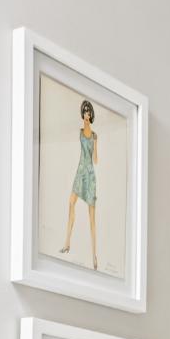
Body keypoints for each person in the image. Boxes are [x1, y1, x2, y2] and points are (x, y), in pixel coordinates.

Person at [58, 100, 100, 270]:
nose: (86, 115)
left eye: (89, 112)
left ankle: (94, 256)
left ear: (91, 115)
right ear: (82, 114)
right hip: (80, 172)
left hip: (89, 175)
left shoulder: (95, 135)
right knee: (71, 202)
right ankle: (67, 242)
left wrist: (96, 144)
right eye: (84, 112)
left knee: (92, 217)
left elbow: (95, 160)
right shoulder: (81, 132)